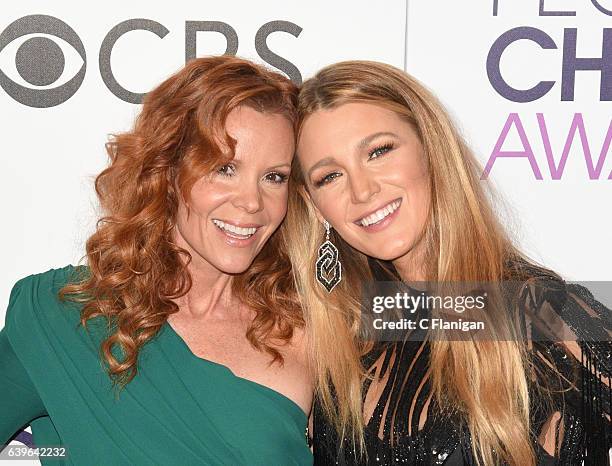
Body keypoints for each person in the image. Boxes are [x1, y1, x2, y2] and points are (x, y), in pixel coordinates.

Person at [286, 60, 611, 465]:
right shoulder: (338, 343)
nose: (362, 190)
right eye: (329, 176)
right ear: (315, 207)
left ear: (431, 148)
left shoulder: (539, 316)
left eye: (379, 151)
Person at [0, 56, 313, 465]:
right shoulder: (63, 317)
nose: (252, 202)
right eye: (225, 168)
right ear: (166, 169)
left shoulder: (312, 327)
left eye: (275, 176)